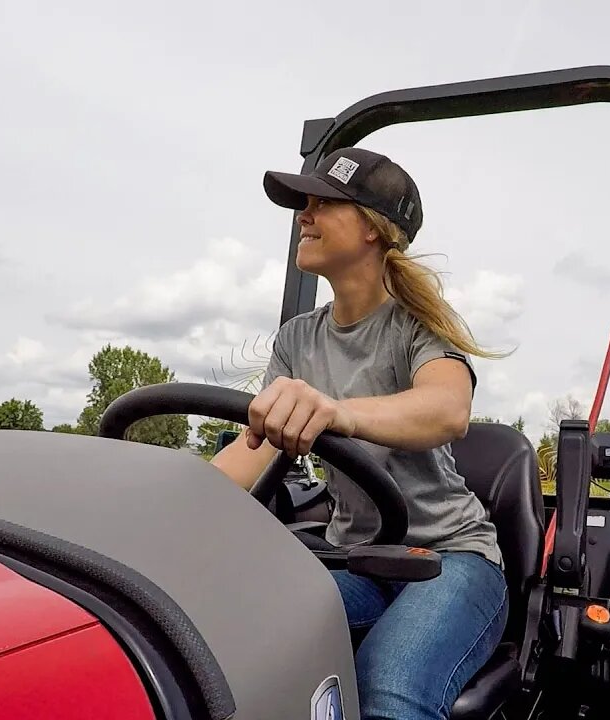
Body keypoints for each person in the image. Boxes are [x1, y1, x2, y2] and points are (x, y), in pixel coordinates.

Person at [211, 147, 510, 719]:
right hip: (355, 561)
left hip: (449, 559)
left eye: (323, 203)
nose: (304, 216)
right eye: (305, 204)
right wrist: (162, 497)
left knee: (387, 689)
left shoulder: (413, 325)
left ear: (372, 229)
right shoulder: (297, 339)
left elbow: (448, 409)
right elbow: (251, 456)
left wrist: (336, 412)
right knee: (232, 639)